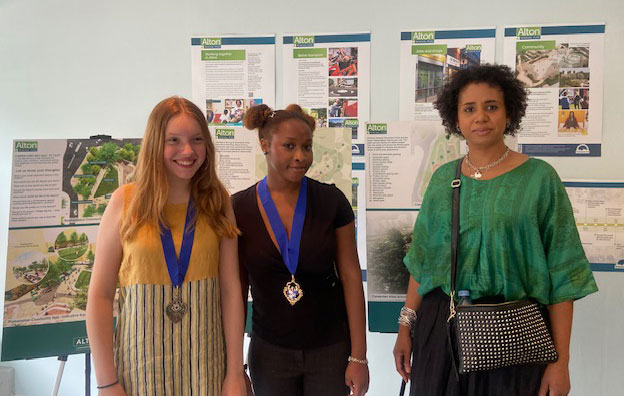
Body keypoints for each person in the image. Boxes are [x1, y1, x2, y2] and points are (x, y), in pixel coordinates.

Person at [392, 64, 597, 396]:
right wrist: (405, 327)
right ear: (455, 118)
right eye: (469, 109)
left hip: (514, 335)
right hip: (442, 332)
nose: (480, 117)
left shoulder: (540, 179)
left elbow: (563, 277)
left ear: (509, 112)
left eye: (491, 106)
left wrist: (560, 363)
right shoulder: (443, 179)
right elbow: (423, 262)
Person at [86, 97, 248, 396]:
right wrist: (107, 382)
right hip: (139, 373)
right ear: (155, 145)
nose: (187, 151)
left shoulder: (217, 201)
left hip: (206, 370)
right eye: (174, 140)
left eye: (197, 140)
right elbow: (100, 296)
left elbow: (230, 290)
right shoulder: (125, 202)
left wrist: (235, 374)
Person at [233, 104, 369, 396]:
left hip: (330, 351)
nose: (300, 156)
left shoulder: (332, 202)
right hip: (269, 352)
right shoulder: (238, 209)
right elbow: (235, 291)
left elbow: (351, 277)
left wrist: (359, 357)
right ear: (265, 145)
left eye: (306, 147)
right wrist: (233, 366)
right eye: (289, 146)